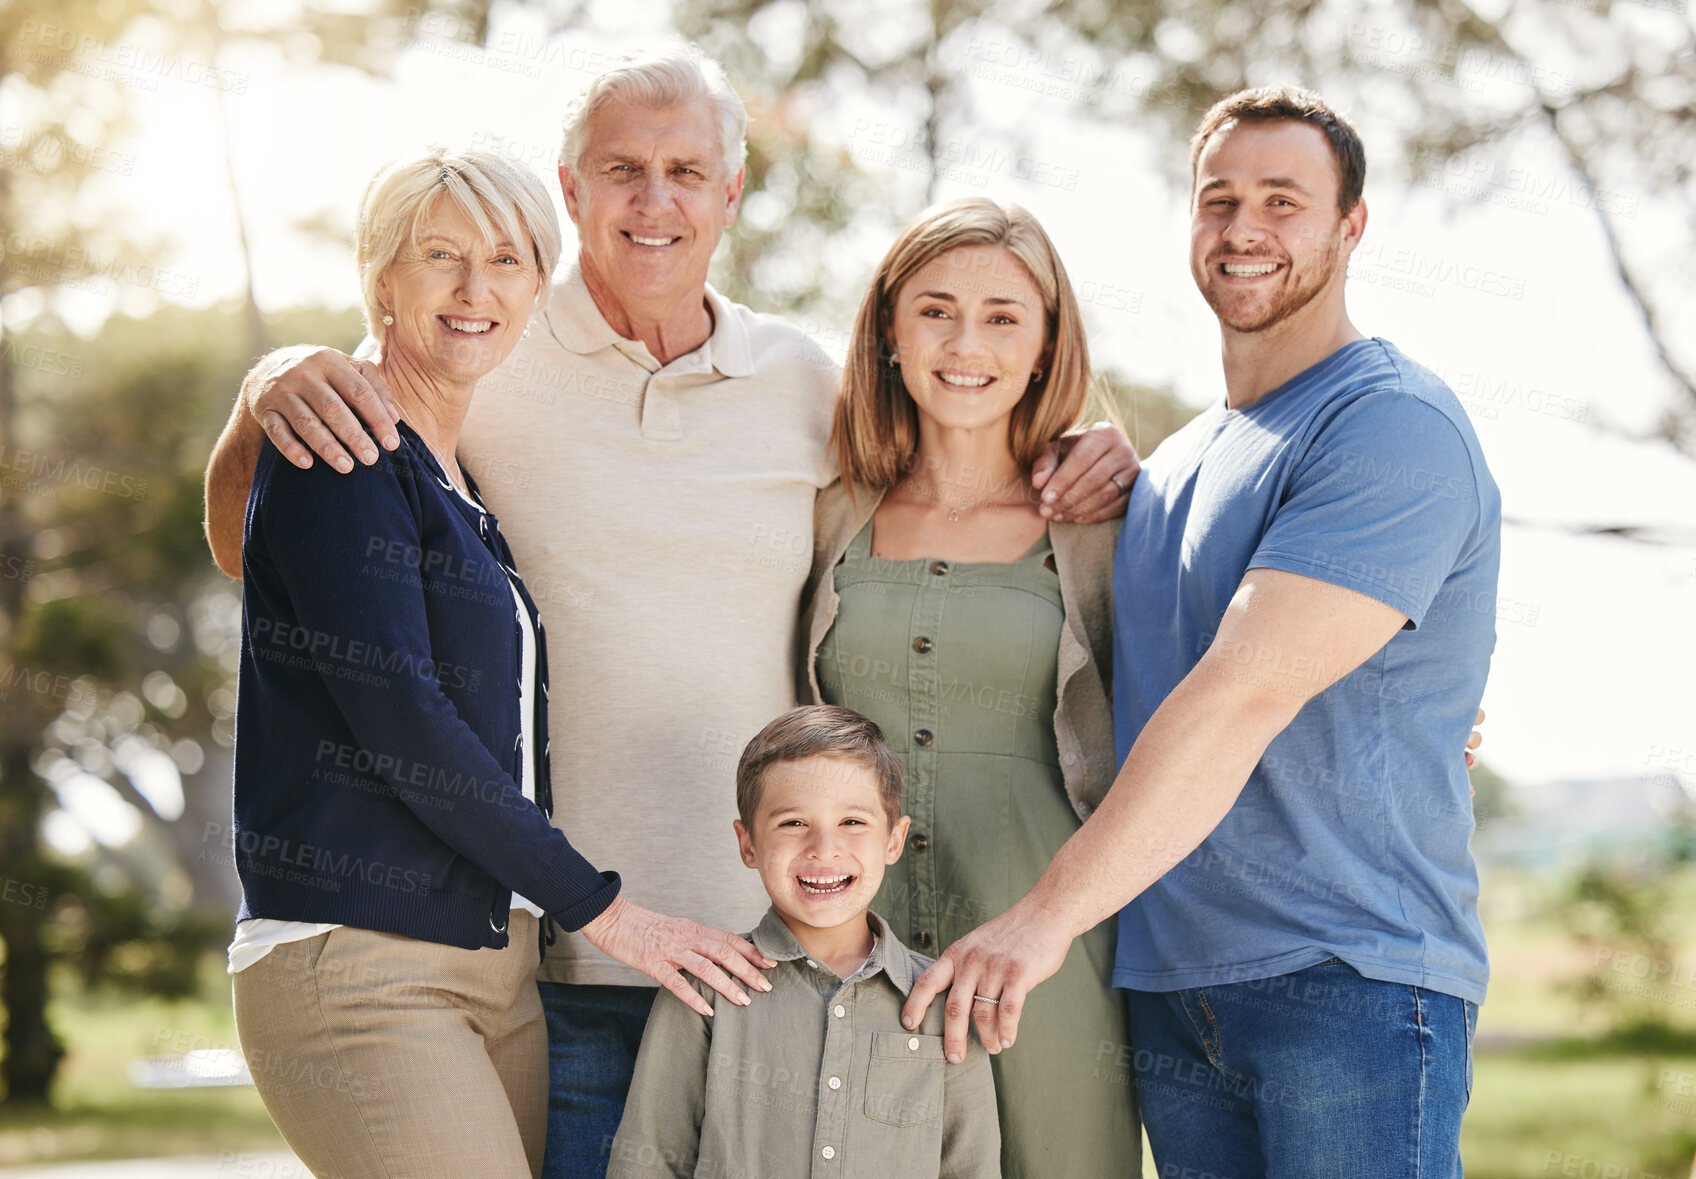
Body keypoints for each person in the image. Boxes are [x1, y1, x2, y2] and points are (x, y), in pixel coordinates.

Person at [200, 45, 1137, 1176]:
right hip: (550, 950)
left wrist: (1081, 446)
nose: (656, 202)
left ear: (731, 193)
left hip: (766, 954)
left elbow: (944, 471)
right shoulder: (483, 341)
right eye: (622, 170)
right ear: (570, 188)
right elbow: (256, 538)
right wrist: (268, 385)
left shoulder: (799, 382)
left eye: (688, 172)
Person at [901, 88, 1501, 1177]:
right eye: (1218, 199)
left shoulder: (1388, 422)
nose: (1244, 229)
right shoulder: (1171, 466)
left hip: (1346, 978)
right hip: (1172, 986)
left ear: (1350, 226)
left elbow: (1242, 692)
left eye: (1284, 200)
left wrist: (1040, 921)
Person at [227, 148, 771, 1179]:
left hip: (494, 965)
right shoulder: (339, 451)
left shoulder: (459, 482)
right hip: (360, 960)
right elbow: (404, 723)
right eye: (440, 256)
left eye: (509, 260)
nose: (477, 290)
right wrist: (607, 910)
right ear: (381, 276)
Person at [798, 198, 1139, 1176]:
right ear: (890, 334)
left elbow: (1222, 681)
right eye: (936, 310)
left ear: (1043, 345)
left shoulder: (1105, 523)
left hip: (1050, 966)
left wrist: (1418, 712)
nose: (965, 343)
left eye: (1002, 317)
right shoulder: (827, 511)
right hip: (853, 954)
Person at [609, 706, 1001, 1179]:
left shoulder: (945, 1000)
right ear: (748, 843)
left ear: (894, 841)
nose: (824, 848)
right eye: (793, 823)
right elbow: (651, 1158)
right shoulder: (703, 985)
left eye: (852, 822)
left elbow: (972, 1166)